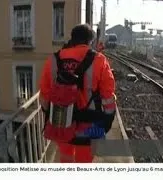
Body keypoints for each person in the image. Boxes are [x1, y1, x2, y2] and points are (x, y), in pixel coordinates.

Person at [38, 24, 116, 163]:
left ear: (72, 39)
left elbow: (44, 96)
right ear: (90, 41)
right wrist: (108, 121)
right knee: (84, 162)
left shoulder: (53, 60)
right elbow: (108, 97)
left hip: (62, 123)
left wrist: (54, 114)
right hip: (90, 126)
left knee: (66, 158)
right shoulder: (99, 60)